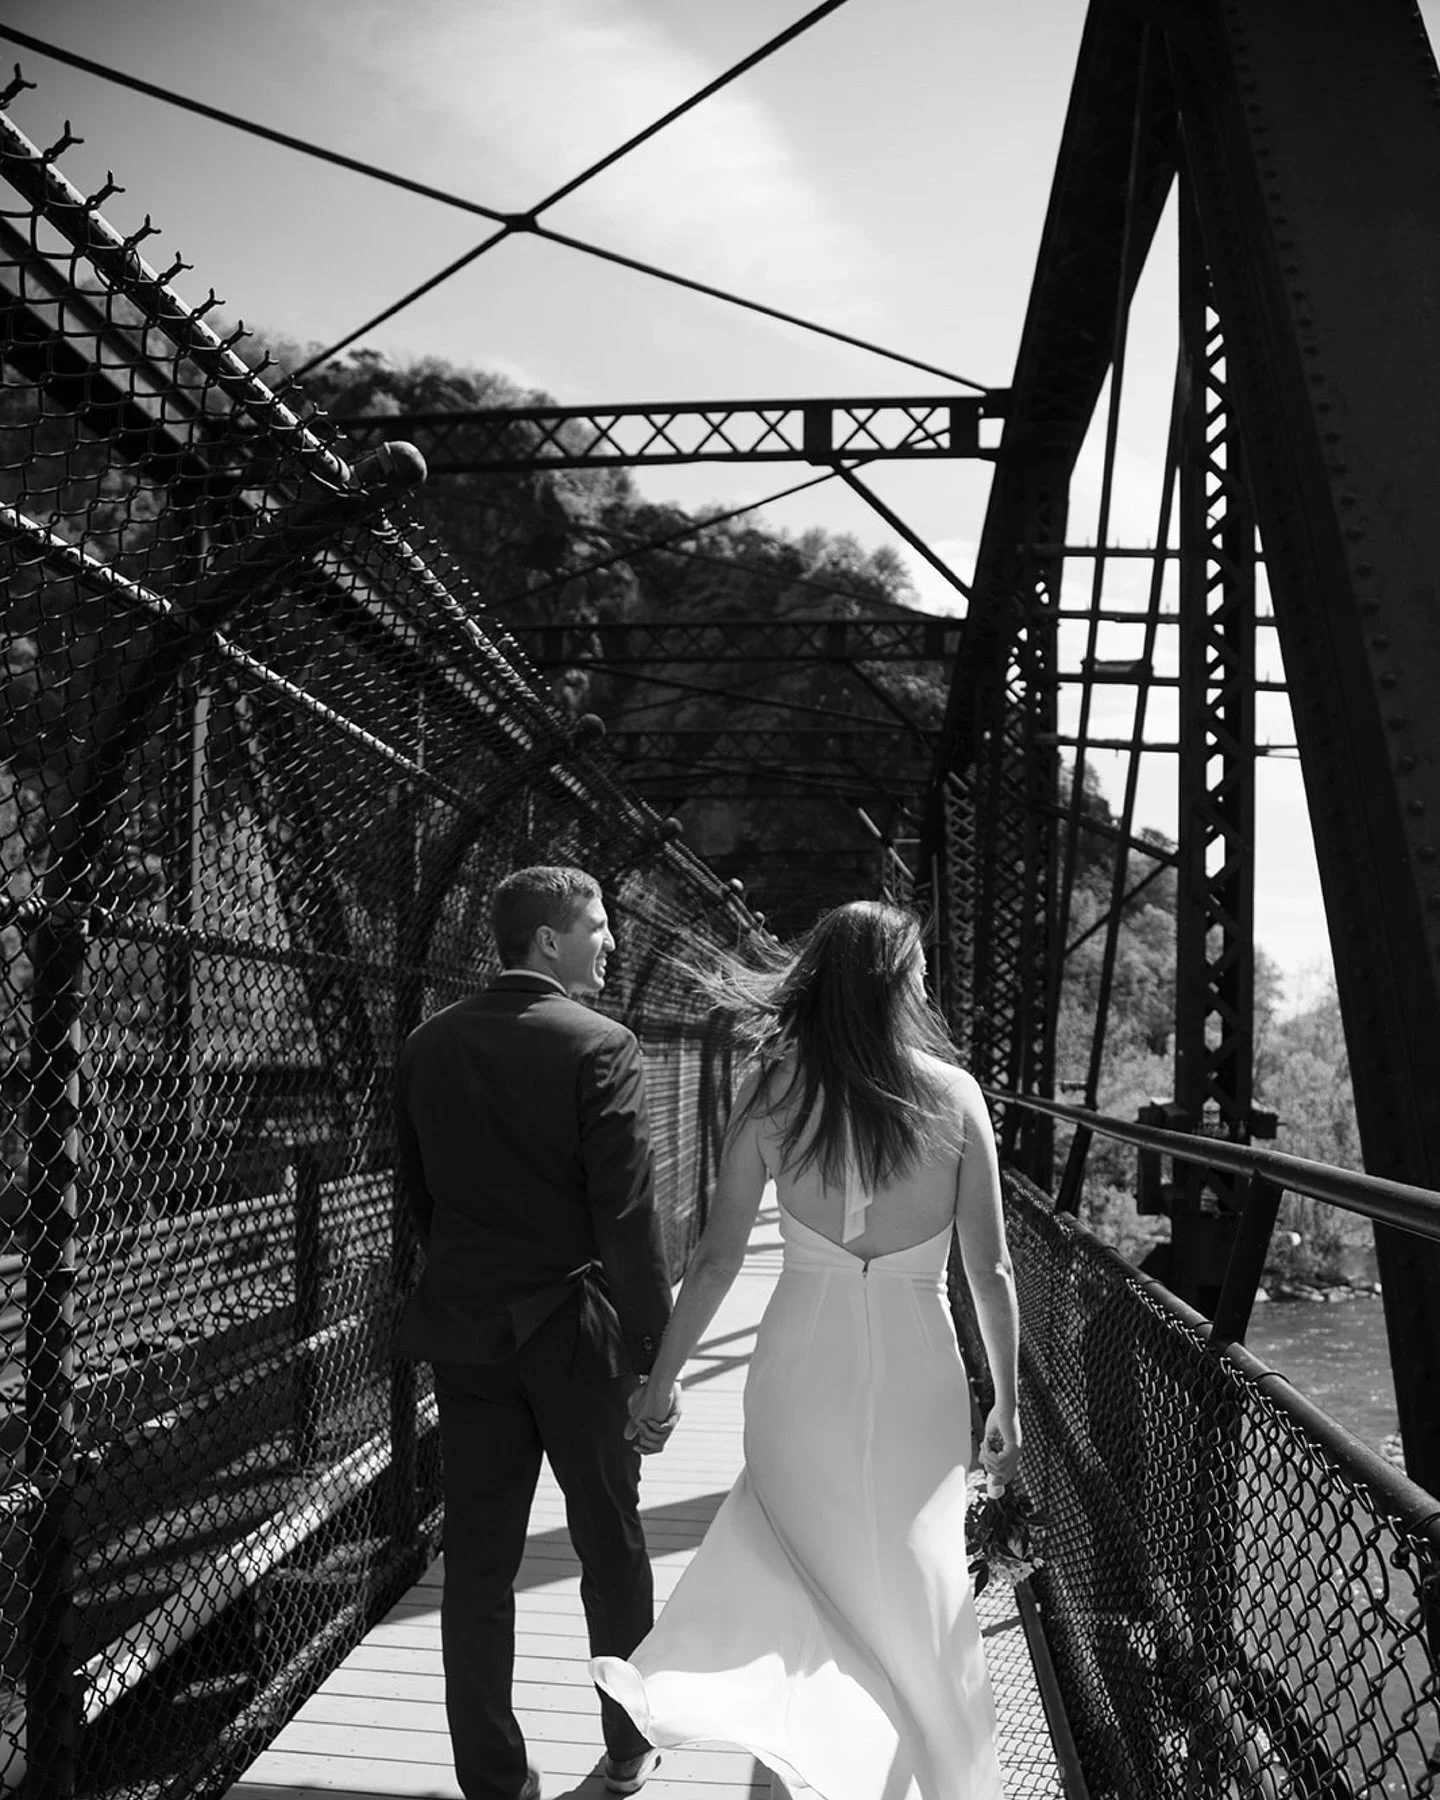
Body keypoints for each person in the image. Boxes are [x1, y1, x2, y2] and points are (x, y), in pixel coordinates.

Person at [592, 900, 1021, 1800]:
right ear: (900, 985)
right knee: (916, 1569)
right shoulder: (953, 1096)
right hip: (918, 1372)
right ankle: (928, 1767)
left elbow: (712, 1260)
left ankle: (804, 1755)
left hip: (797, 1364)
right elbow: (990, 1270)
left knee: (792, 1552)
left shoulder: (776, 1097)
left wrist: (661, 1385)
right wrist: (1007, 1409)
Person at [395, 865, 681, 1800]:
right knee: (612, 1547)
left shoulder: (428, 1045)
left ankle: (494, 1780)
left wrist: (477, 1282)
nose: (611, 941)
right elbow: (630, 1227)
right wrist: (657, 1364)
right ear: (550, 940)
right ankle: (629, 1745)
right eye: (597, 926)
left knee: (478, 1565)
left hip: (470, 1336)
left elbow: (420, 1202)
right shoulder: (601, 1046)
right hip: (576, 1336)